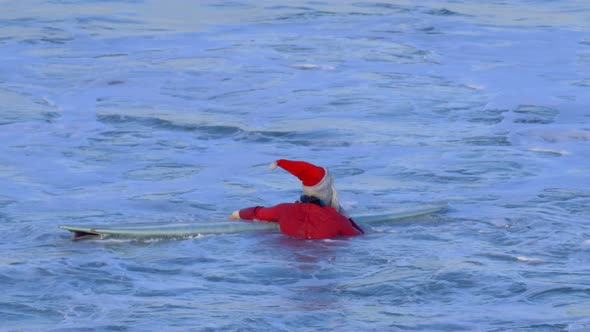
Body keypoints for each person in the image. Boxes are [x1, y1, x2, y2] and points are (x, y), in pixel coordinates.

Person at [228, 159, 364, 239]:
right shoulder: (337, 219)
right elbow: (358, 235)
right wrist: (343, 214)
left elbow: (257, 212)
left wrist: (235, 214)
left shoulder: (284, 210)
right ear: (327, 191)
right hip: (320, 264)